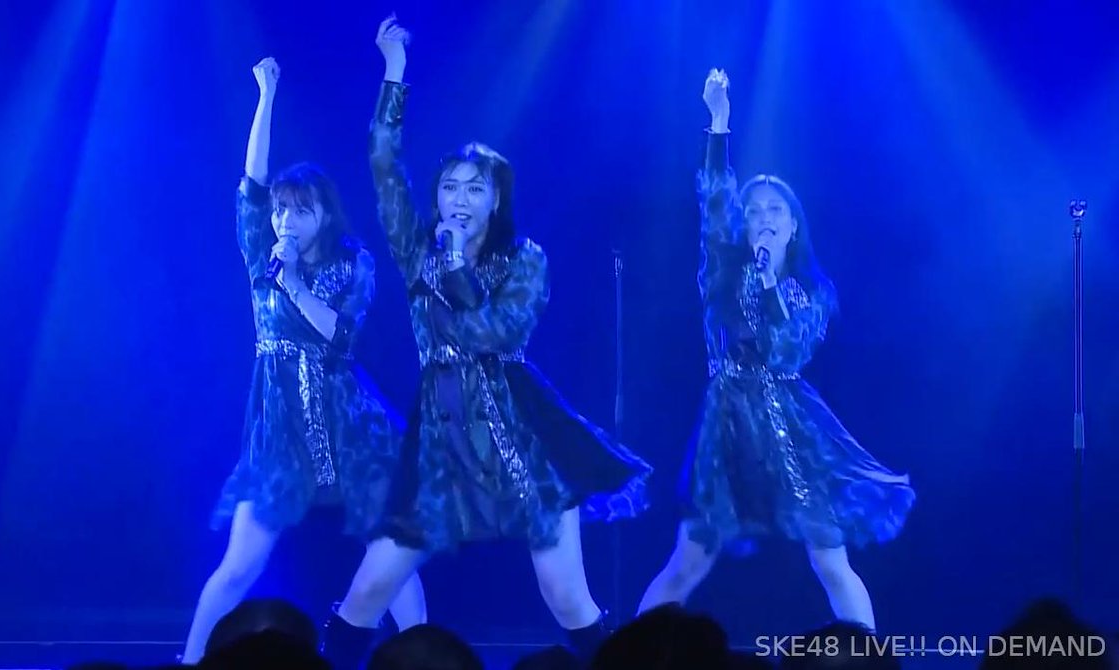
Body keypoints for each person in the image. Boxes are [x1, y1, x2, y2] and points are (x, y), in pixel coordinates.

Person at [319, 16, 653, 667]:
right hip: (441, 438)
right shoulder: (417, 250)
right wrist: (395, 72)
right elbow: (384, 165)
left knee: (565, 594)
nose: (460, 199)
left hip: (522, 435)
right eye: (450, 188)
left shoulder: (525, 260)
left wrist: (455, 268)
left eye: (476, 189)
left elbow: (495, 332)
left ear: (496, 201)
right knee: (369, 588)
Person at [636, 68, 915, 631]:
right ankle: (631, 656)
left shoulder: (814, 291)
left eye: (775, 211)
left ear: (793, 226)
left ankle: (869, 658)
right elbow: (715, 199)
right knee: (688, 561)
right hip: (727, 426)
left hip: (792, 431)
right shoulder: (721, 271)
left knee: (830, 560)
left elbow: (786, 351)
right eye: (755, 212)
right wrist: (719, 122)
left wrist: (768, 285)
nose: (763, 219)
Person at [180, 56, 426, 664]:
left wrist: (292, 281)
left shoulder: (353, 263)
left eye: (300, 210)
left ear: (324, 215)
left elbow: (342, 338)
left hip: (349, 424)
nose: (285, 220)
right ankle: (190, 661)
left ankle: (422, 657)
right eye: (281, 210)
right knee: (239, 565)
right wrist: (266, 95)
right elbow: (252, 180)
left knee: (390, 554)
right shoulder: (259, 249)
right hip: (279, 428)